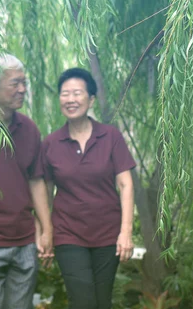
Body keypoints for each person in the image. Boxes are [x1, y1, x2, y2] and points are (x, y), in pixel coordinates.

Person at [41, 68, 136, 309]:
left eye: (77, 93)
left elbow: (125, 185)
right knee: (82, 300)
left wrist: (126, 232)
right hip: (68, 234)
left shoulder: (111, 137)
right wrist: (45, 231)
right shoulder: (51, 143)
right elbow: (46, 192)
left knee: (102, 302)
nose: (71, 99)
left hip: (107, 233)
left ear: (91, 99)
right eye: (65, 94)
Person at [0, 54, 53, 309]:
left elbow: (36, 181)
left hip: (25, 240)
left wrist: (47, 228)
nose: (23, 89)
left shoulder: (29, 129)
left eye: (24, 82)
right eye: (15, 83)